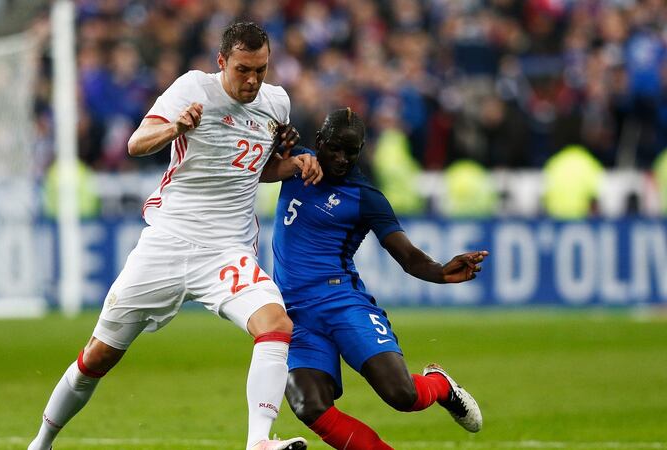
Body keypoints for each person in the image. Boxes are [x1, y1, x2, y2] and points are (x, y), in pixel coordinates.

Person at [28, 22, 322, 450]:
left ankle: (259, 441)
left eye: (260, 69)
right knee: (98, 355)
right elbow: (136, 143)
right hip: (168, 242)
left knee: (276, 324)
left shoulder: (277, 103)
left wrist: (294, 164)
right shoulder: (193, 88)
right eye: (243, 69)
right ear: (222, 62)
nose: (252, 80)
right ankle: (42, 442)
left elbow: (256, 167)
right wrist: (175, 128)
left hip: (226, 251)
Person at [271, 108, 487, 449]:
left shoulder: (365, 197)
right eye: (335, 149)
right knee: (308, 405)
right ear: (319, 141)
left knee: (402, 395)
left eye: (351, 152)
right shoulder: (296, 162)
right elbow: (250, 167)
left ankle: (441, 386)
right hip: (295, 314)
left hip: (342, 304)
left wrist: (441, 271)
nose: (342, 159)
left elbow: (408, 256)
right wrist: (276, 138)